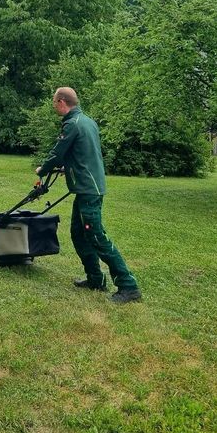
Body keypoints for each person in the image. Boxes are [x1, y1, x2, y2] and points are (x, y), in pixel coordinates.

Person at [35, 87, 142, 304]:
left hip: (88, 191)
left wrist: (43, 169)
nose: (54, 105)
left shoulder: (72, 124)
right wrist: (69, 168)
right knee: (77, 233)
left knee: (96, 237)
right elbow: (84, 153)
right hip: (89, 188)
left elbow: (58, 153)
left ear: (62, 102)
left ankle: (129, 286)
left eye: (55, 102)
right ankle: (95, 279)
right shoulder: (87, 121)